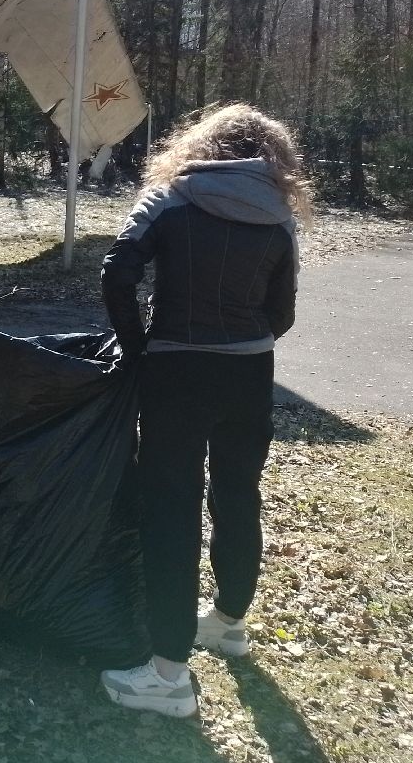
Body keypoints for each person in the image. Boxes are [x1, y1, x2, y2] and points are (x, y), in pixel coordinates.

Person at [95, 103, 312, 717]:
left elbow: (117, 273)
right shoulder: (278, 214)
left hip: (176, 370)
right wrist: (248, 334)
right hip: (249, 371)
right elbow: (284, 312)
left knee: (173, 508)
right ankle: (227, 623)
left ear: (202, 144)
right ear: (274, 157)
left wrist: (139, 346)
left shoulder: (169, 198)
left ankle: (167, 673)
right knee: (239, 492)